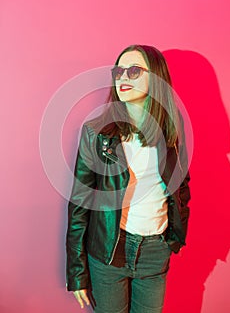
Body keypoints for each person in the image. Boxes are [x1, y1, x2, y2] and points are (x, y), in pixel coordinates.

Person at [66, 44, 191, 312]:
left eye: (134, 71)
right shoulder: (97, 132)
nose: (123, 77)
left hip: (155, 252)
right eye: (119, 71)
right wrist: (77, 273)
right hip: (110, 252)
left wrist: (175, 237)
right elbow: (80, 204)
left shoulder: (173, 125)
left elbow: (181, 185)